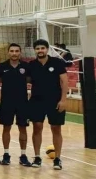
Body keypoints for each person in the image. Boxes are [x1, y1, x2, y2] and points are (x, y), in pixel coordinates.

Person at [28, 39, 68, 169]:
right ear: (35, 50)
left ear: (47, 49)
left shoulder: (57, 63)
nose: (40, 50)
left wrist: (63, 100)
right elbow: (25, 80)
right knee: (37, 127)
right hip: (36, 101)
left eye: (42, 48)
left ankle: (57, 159)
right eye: (37, 48)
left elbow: (64, 81)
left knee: (56, 128)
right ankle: (37, 157)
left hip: (54, 101)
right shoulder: (31, 65)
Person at [0, 43, 31, 167]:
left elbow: (30, 81)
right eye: (12, 51)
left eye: (17, 51)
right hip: (7, 102)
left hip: (22, 102)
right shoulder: (2, 66)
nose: (14, 53)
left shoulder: (26, 66)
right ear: (8, 52)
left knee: (23, 128)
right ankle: (6, 154)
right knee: (6, 128)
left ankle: (23, 155)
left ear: (20, 52)